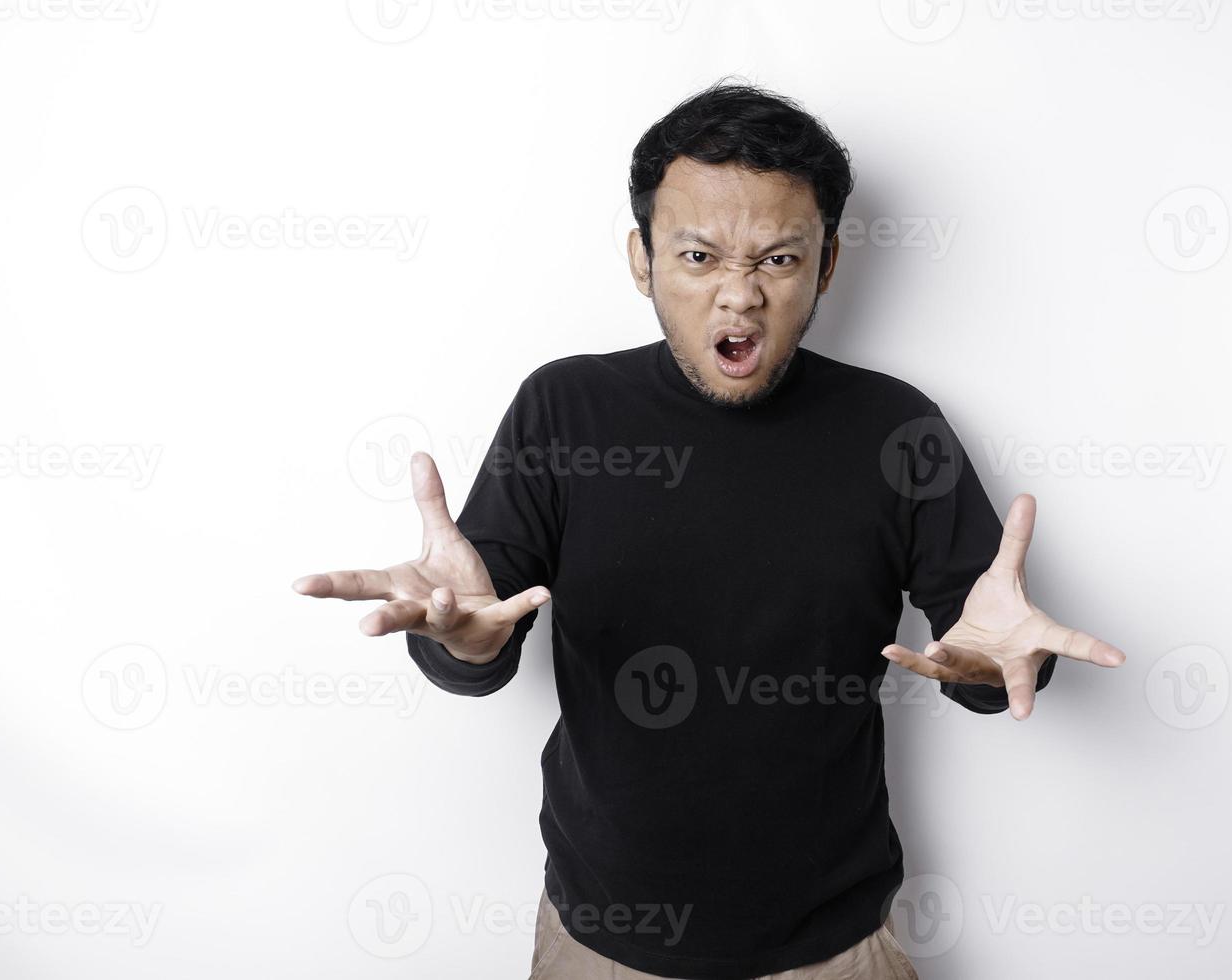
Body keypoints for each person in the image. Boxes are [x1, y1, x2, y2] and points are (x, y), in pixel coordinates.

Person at [293, 78, 1125, 980]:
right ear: (642, 260)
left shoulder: (897, 428)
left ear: (828, 265)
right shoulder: (565, 408)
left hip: (836, 947)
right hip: (599, 942)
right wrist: (459, 638)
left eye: (777, 259)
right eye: (698, 256)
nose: (740, 297)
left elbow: (984, 653)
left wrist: (998, 668)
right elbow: (476, 634)